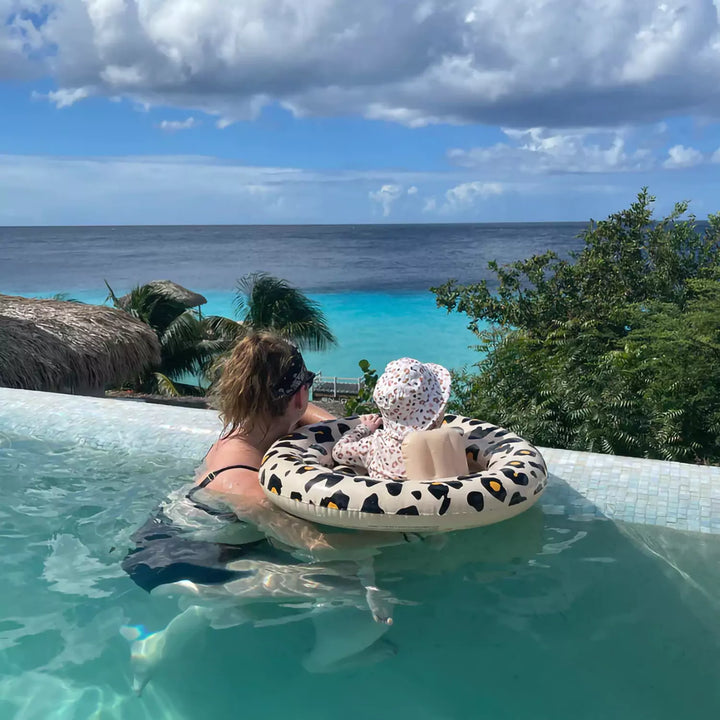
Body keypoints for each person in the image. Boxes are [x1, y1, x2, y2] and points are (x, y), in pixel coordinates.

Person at [332, 357, 452, 479]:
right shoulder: (446, 446)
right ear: (435, 415)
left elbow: (338, 451)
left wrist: (364, 429)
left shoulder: (374, 446)